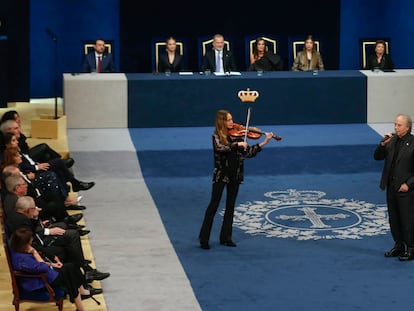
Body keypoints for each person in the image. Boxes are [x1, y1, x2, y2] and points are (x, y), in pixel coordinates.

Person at [198, 109, 274, 249]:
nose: (232, 122)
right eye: (228, 120)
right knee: (213, 205)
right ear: (221, 121)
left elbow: (248, 153)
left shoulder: (238, 136)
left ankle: (226, 237)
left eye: (231, 119)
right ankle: (204, 238)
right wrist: (236, 145)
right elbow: (221, 148)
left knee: (230, 207)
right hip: (222, 174)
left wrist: (265, 142)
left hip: (235, 174)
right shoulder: (216, 136)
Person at [9, 227, 94, 311]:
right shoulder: (24, 259)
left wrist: (53, 264)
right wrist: (35, 252)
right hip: (40, 280)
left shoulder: (17, 249)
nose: (32, 242)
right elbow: (42, 267)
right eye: (30, 241)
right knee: (69, 274)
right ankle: (80, 305)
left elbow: (38, 266)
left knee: (71, 267)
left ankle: (80, 298)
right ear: (24, 243)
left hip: (43, 273)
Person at [374, 113, 414, 261]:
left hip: (406, 189)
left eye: (399, 125)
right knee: (394, 218)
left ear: (407, 127)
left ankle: (411, 248)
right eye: (395, 124)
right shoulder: (391, 141)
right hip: (391, 186)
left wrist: (408, 184)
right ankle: (399, 245)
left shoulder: (413, 143)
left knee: (407, 219)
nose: (395, 127)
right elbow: (377, 157)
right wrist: (382, 145)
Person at [0, 110, 73, 166]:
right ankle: (60, 161)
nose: (19, 119)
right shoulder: (6, 138)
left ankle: (58, 164)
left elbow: (25, 146)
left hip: (26, 154)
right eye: (16, 118)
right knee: (43, 146)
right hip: (23, 158)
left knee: (46, 156)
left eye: (18, 117)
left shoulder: (18, 132)